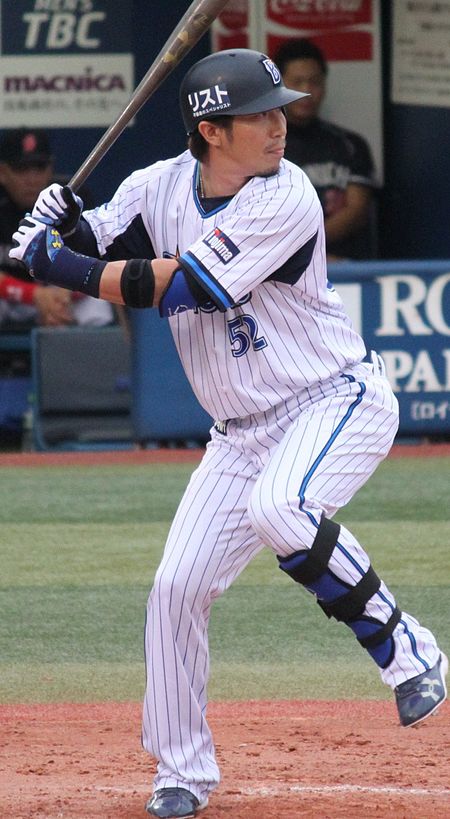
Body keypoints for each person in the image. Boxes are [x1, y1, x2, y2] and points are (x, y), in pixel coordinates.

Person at [10, 49, 447, 819]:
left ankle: (407, 649)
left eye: (281, 108)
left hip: (331, 399)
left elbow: (173, 286)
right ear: (211, 131)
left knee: (281, 509)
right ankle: (181, 770)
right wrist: (58, 220)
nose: (280, 125)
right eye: (261, 115)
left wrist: (56, 262)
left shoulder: (287, 197)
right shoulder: (157, 185)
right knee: (175, 589)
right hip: (239, 430)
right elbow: (100, 241)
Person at [272, 38, 376, 260]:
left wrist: (316, 251)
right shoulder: (264, 146)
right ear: (280, 86)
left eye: (315, 82)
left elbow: (357, 212)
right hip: (282, 265)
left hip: (345, 265)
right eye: (297, 82)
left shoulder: (350, 144)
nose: (307, 91)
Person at [0, 127, 113, 331]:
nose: (31, 179)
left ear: (50, 168)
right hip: (13, 297)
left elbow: (99, 259)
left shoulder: (71, 199)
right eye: (21, 169)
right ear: (3, 172)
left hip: (64, 291)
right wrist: (34, 295)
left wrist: (68, 291)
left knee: (97, 306)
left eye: (39, 167)